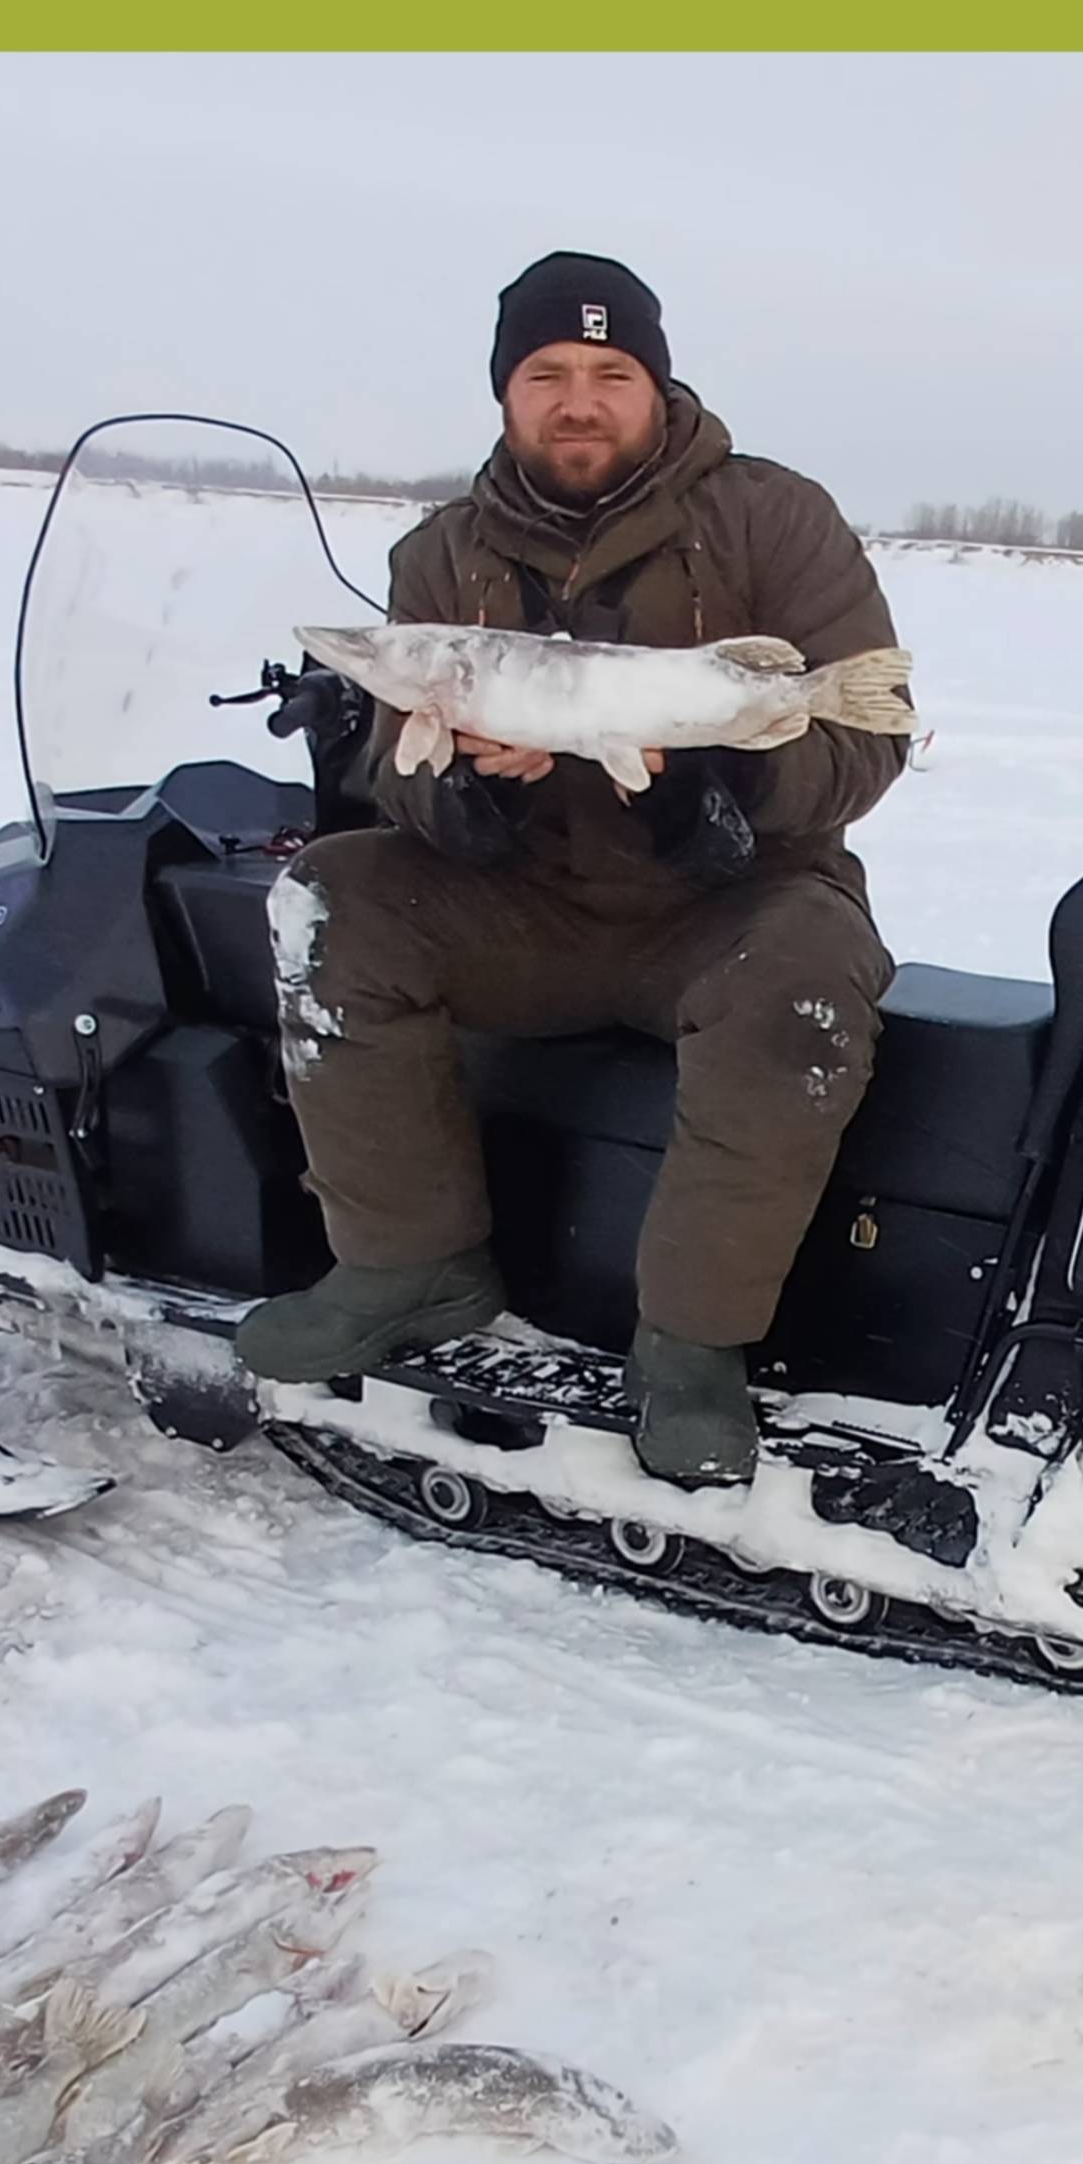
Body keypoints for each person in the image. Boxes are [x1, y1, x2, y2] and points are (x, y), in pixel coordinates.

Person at [235, 252, 909, 1489]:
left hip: (731, 905)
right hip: (528, 909)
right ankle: (411, 1265)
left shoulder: (773, 517)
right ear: (506, 392)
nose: (579, 402)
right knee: (334, 896)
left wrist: (724, 781)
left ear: (658, 385)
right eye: (547, 374)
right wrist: (471, 792)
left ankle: (691, 1343)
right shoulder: (441, 554)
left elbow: (870, 740)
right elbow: (393, 765)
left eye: (611, 372)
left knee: (807, 973)